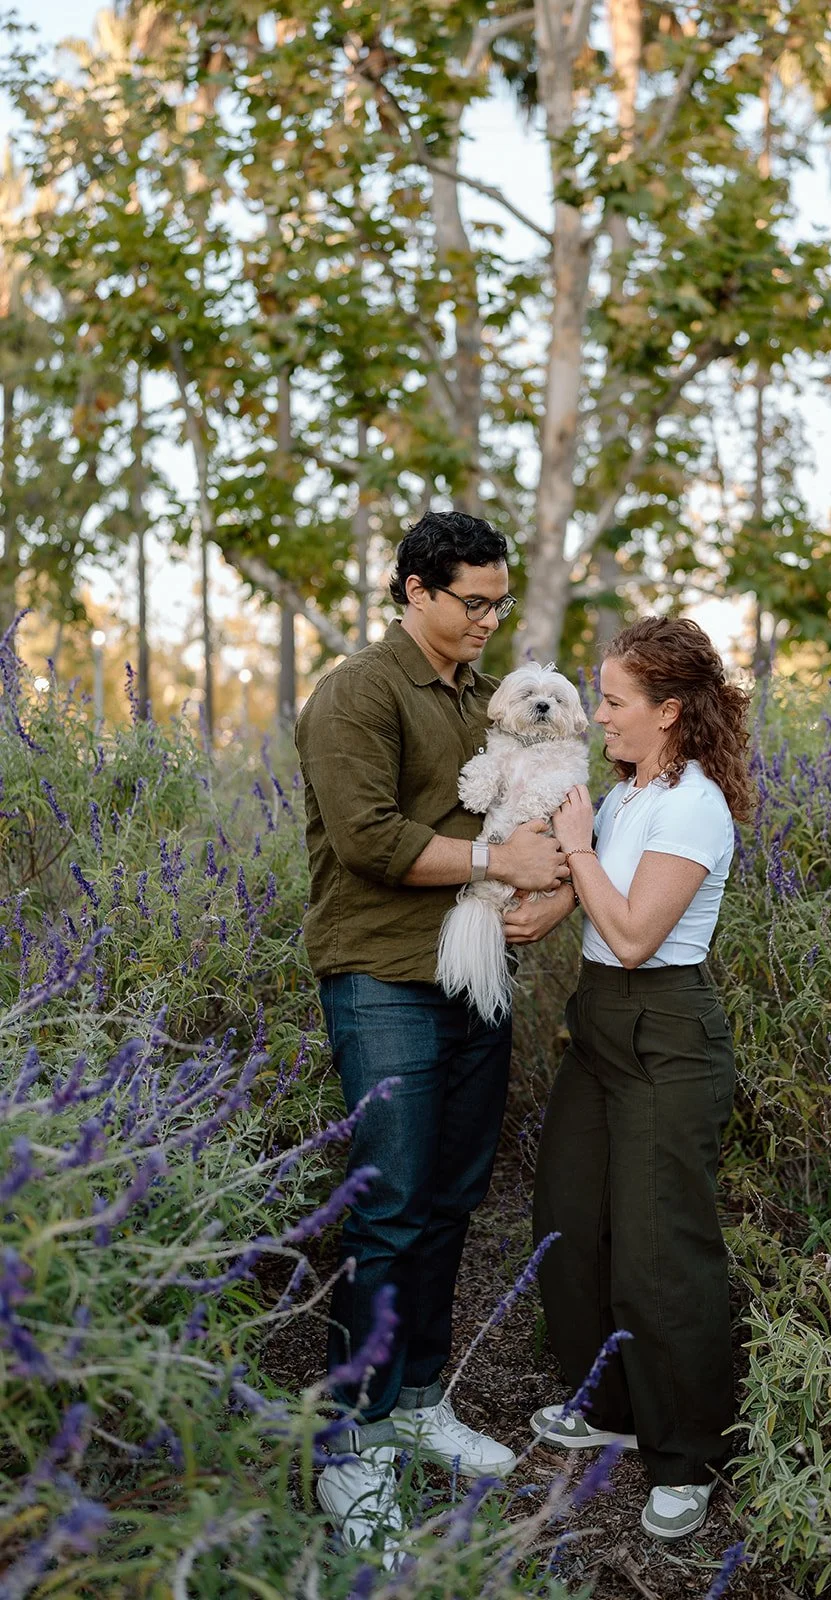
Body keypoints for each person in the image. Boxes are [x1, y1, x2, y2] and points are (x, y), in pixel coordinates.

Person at [294, 510, 575, 1556]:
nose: (488, 622)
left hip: (473, 976)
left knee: (450, 1196)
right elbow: (368, 839)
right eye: (472, 602)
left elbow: (523, 817)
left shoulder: (472, 696)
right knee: (390, 1204)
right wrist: (501, 867)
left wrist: (544, 890)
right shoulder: (358, 692)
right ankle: (348, 1444)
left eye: (498, 604)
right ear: (414, 588)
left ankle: (414, 1397)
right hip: (383, 974)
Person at [530, 615, 753, 1543]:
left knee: (660, 1253)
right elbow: (589, 909)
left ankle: (688, 1455)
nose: (599, 719)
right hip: (599, 1025)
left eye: (613, 703)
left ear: (667, 711)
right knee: (568, 1220)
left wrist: (576, 848)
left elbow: (631, 935)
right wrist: (522, 899)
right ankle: (609, 1405)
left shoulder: (691, 804)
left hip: (665, 1029)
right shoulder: (626, 796)